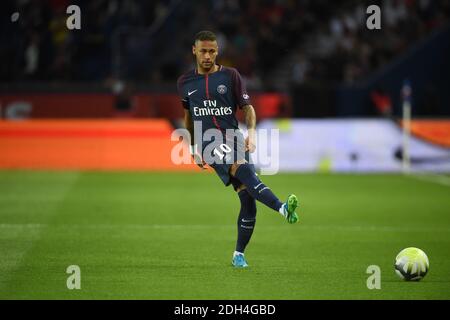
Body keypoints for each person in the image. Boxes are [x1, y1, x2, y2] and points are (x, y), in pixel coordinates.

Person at [177, 30, 299, 268]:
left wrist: (251, 133)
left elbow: (248, 108)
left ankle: (238, 255)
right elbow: (188, 117)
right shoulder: (185, 82)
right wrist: (193, 147)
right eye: (203, 51)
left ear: (217, 51)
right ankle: (283, 208)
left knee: (248, 198)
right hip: (209, 142)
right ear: (194, 51)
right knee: (242, 169)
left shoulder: (230, 76)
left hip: (234, 137)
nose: (207, 56)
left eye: (212, 51)